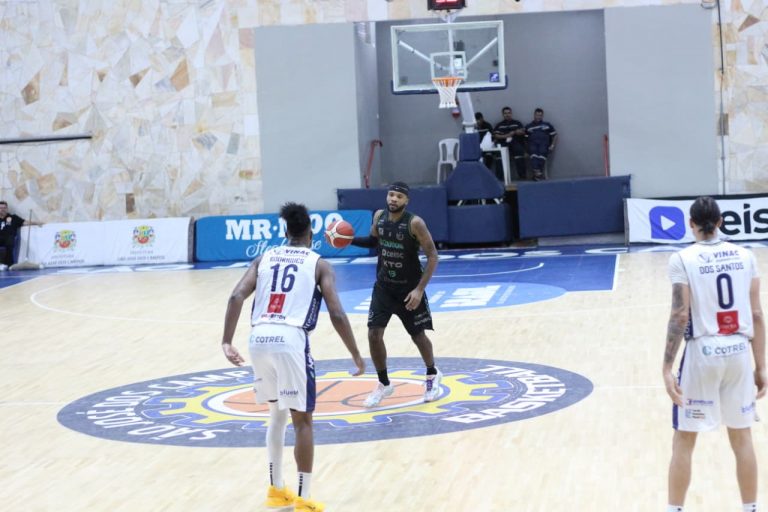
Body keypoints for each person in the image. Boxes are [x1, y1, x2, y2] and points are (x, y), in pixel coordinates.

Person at [221, 202, 365, 512]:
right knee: (303, 421)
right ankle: (304, 497)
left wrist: (226, 341)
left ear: (285, 232)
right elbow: (337, 313)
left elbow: (236, 296)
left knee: (276, 415)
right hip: (290, 339)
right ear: (310, 233)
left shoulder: (264, 258)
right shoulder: (319, 264)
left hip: (258, 338)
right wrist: (355, 354)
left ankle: (276, 490)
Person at [662, 196, 766, 512]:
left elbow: (680, 314)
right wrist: (761, 365)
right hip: (738, 350)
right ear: (721, 222)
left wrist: (667, 367)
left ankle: (675, 509)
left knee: (684, 439)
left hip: (703, 353)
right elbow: (757, 314)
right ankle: (750, 508)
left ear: (691, 224)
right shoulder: (746, 256)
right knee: (742, 437)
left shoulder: (682, 259)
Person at [351, 182, 441, 407]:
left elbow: (433, 256)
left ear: (406, 201)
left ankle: (432, 373)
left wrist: (419, 290)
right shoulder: (379, 216)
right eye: (391, 194)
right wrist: (347, 240)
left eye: (399, 196)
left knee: (418, 336)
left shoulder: (415, 223)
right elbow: (373, 241)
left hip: (409, 290)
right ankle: (384, 383)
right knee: (373, 334)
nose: (393, 199)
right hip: (383, 288)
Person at [0, 201, 42, 270]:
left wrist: (36, 223)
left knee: (10, 241)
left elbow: (25, 222)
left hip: (8, 238)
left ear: (7, 209)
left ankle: (9, 264)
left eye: (4, 208)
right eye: (1, 208)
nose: (2, 210)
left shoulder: (13, 217)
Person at [492, 106, 527, 180]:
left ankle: (522, 177)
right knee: (499, 154)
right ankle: (500, 179)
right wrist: (507, 135)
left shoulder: (517, 123)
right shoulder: (499, 125)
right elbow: (496, 136)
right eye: (505, 113)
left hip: (515, 142)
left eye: (509, 113)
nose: (507, 115)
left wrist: (516, 132)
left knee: (519, 152)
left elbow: (523, 132)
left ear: (511, 113)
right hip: (503, 143)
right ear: (503, 114)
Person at [525, 108, 557, 181]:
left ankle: (536, 174)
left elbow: (555, 135)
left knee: (542, 152)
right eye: (537, 115)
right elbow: (525, 138)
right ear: (534, 115)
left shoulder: (547, 125)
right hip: (532, 144)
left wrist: (552, 145)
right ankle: (538, 173)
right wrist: (525, 149)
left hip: (544, 144)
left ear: (542, 116)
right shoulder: (528, 126)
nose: (538, 117)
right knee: (533, 153)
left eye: (540, 115)